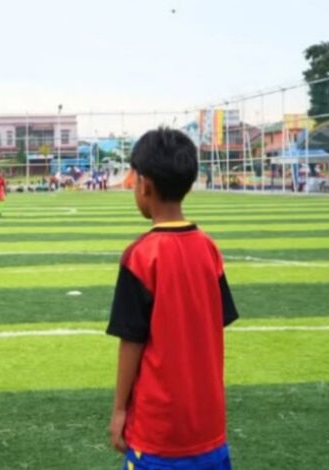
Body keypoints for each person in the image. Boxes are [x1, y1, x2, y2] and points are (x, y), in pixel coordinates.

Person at [107, 128, 238, 470]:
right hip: (210, 428)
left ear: (145, 185)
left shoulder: (140, 256)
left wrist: (120, 409)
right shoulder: (209, 250)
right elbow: (215, 321)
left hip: (158, 435)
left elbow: (131, 341)